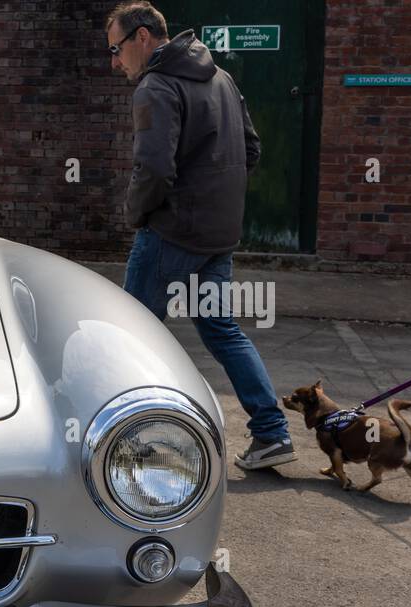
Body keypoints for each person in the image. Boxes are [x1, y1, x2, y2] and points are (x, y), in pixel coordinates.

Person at [107, 2, 295, 471]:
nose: (115, 61)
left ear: (143, 37)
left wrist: (135, 214)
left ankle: (124, 440)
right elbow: (251, 149)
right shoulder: (222, 79)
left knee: (130, 337)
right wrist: (214, 196)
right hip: (217, 237)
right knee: (222, 330)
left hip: (171, 235)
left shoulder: (156, 86)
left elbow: (153, 168)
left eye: (116, 48)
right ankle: (272, 432)